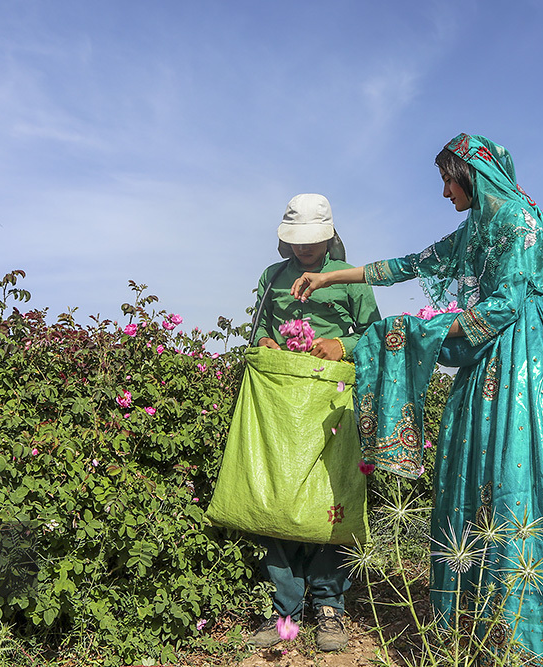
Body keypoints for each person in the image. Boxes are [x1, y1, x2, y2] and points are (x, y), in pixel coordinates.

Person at [290, 136, 543, 664]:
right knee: (497, 471)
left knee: (538, 472)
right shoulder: (476, 229)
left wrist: (399, 333)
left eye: (449, 180)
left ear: (475, 178)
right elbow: (409, 264)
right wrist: (330, 275)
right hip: (496, 353)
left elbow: (506, 303)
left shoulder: (515, 221)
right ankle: (490, 619)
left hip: (538, 354)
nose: (444, 192)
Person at [247, 193, 381, 652]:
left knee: (330, 498)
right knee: (280, 497)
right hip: (284, 403)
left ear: (328, 237)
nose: (304, 250)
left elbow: (376, 338)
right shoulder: (273, 277)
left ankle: (329, 607)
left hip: (334, 404)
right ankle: (285, 609)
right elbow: (261, 325)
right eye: (297, 242)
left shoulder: (351, 283)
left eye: (312, 242)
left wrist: (342, 345)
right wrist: (267, 339)